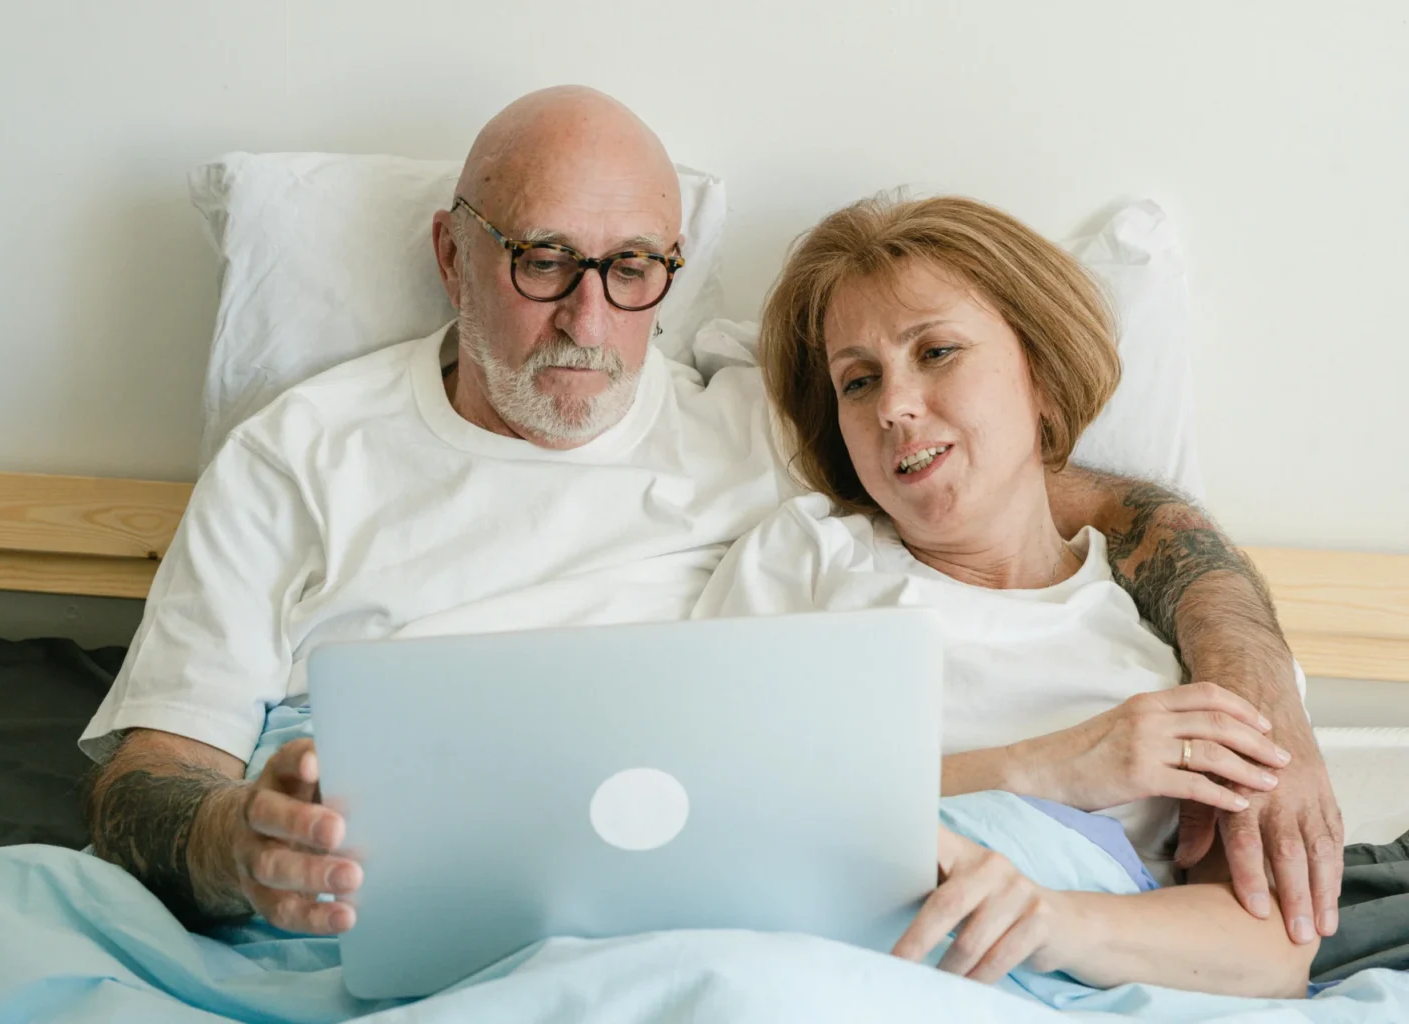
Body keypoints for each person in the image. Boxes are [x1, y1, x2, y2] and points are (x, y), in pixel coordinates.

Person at [80, 87, 1339, 949]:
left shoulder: (772, 428)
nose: (587, 319)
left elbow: (1073, 496)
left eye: (631, 271)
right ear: (451, 256)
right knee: (3, 906)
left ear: (669, 276)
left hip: (639, 860)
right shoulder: (293, 455)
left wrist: (1258, 690)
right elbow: (150, 773)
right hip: (360, 862)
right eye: (540, 261)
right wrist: (229, 843)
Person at [690, 192, 1334, 992]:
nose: (893, 406)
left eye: (936, 352)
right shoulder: (803, 560)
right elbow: (705, 820)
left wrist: (1049, 919)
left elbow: (1277, 949)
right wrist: (1040, 768)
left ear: (1043, 381)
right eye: (858, 382)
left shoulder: (1181, 644)